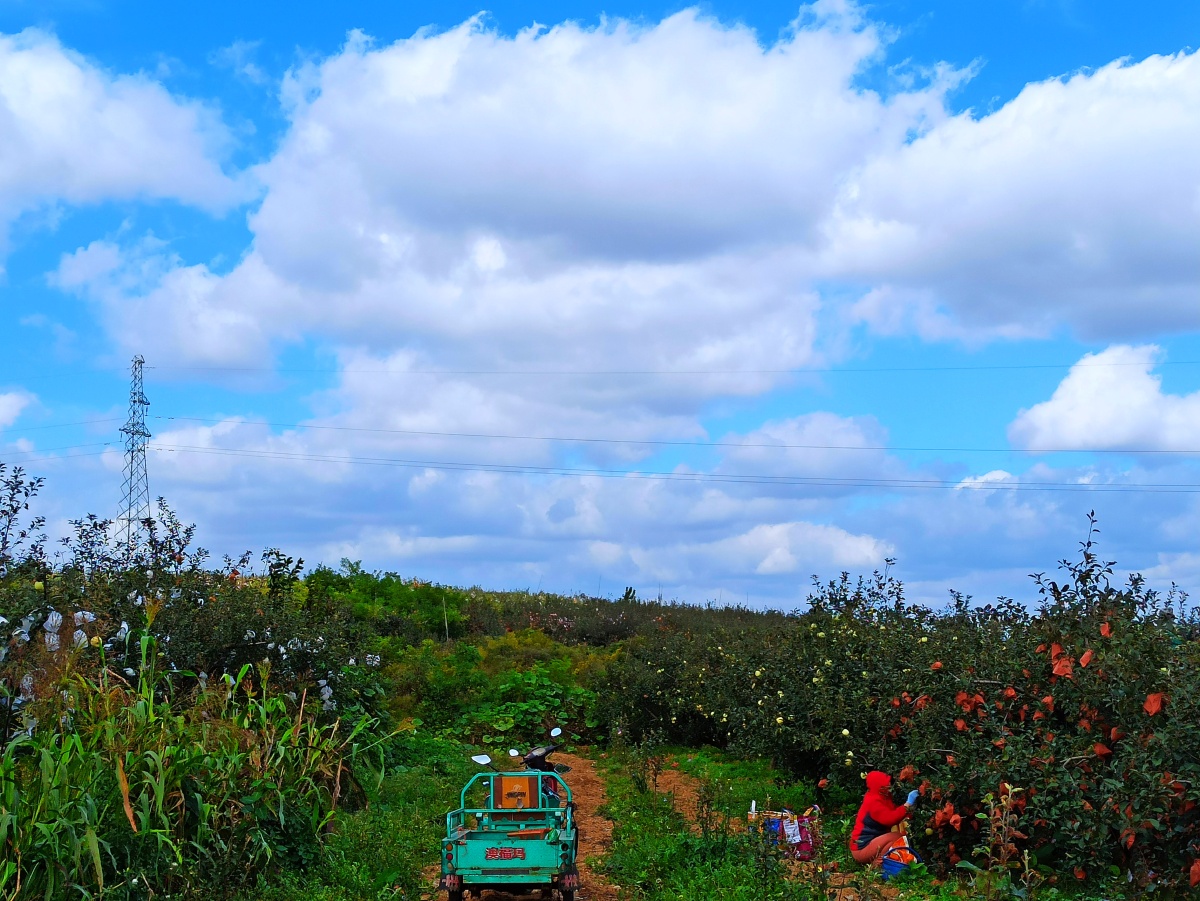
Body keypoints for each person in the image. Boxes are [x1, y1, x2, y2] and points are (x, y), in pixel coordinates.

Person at [849, 770, 918, 866]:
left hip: (870, 843)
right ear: (879, 785)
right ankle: (877, 864)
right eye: (886, 783)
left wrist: (910, 812)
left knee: (897, 838)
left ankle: (880, 861)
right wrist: (907, 804)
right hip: (861, 849)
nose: (889, 784)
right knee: (896, 836)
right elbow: (890, 819)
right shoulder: (873, 801)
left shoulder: (883, 797)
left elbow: (895, 813)